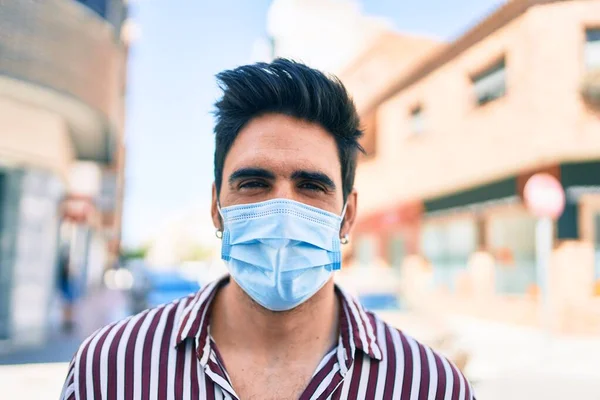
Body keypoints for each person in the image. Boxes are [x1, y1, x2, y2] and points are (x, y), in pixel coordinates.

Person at [60, 59, 476, 400]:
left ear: (347, 216)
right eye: (253, 183)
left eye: (311, 186)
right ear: (215, 207)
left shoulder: (429, 386)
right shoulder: (111, 370)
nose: (283, 210)